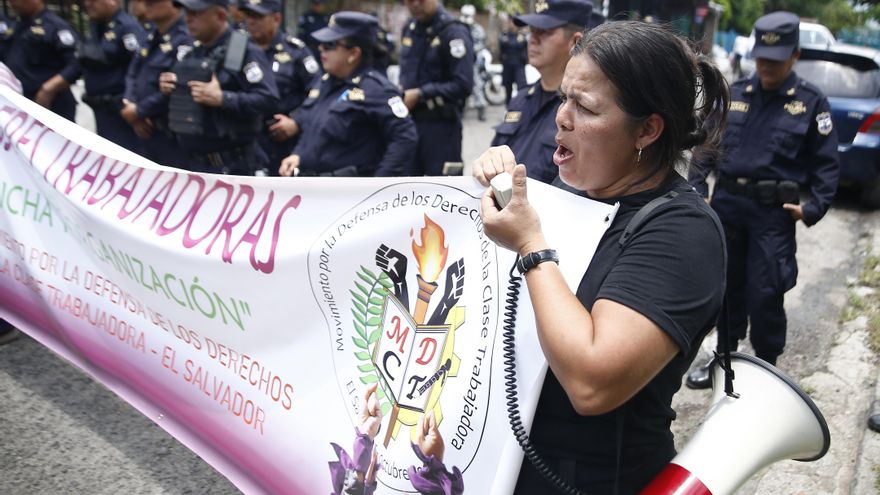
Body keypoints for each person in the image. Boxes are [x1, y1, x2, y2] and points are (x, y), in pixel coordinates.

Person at [473, 20, 729, 492]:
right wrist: (500, 191)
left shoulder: (682, 232)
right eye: (563, 98)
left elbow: (593, 382)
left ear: (647, 130)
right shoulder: (577, 195)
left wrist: (531, 245)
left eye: (585, 107)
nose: (562, 119)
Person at [686, 11, 839, 389]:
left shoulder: (809, 102)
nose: (767, 66)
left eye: (776, 59)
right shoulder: (736, 94)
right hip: (728, 207)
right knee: (725, 288)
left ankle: (768, 369)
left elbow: (827, 162)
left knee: (766, 292)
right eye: (762, 58)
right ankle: (723, 358)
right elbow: (706, 146)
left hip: (773, 213)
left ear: (795, 56)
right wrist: (698, 189)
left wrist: (814, 207)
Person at [277, 11, 417, 178]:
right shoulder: (325, 83)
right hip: (314, 188)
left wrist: (378, 185)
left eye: (330, 45)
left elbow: (405, 138)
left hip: (348, 194)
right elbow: (312, 129)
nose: (321, 48)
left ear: (353, 54)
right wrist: (298, 155)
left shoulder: (377, 90)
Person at [158, 0, 279, 175]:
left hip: (234, 167)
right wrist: (171, 87)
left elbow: (268, 99)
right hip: (194, 164)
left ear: (220, 16)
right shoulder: (193, 51)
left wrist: (223, 99)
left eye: (196, 13)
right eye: (188, 13)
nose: (188, 19)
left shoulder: (241, 50)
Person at [490, 0, 591, 185]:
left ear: (575, 42)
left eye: (544, 32)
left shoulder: (585, 112)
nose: (533, 39)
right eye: (532, 31)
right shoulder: (521, 99)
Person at [241, 0, 320, 174]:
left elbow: (318, 93)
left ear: (276, 19)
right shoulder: (236, 49)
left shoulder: (295, 51)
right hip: (244, 142)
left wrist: (296, 121)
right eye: (248, 16)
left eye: (258, 17)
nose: (251, 22)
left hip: (281, 140)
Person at [399, 0, 473, 176]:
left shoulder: (454, 32)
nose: (415, 4)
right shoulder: (410, 28)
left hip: (441, 128)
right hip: (409, 125)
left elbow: (463, 84)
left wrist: (421, 94)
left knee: (443, 194)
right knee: (405, 191)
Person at [121, 0, 192, 169]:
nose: (148, 4)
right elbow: (133, 72)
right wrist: (129, 104)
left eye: (154, 1)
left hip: (171, 134)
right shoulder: (153, 35)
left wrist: (139, 111)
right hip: (144, 129)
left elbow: (178, 86)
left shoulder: (185, 37)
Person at [80, 0, 146, 151]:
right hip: (102, 110)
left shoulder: (127, 27)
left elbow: (139, 68)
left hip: (121, 112)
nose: (88, 4)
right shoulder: (97, 26)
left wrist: (136, 108)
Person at [3, 0, 80, 121]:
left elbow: (76, 65)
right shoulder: (15, 26)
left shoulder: (55, 26)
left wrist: (48, 90)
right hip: (18, 106)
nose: (11, 3)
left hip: (51, 105)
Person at [459, 4, 486, 121]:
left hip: (473, 62)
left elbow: (482, 44)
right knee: (460, 85)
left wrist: (470, 49)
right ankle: (461, 110)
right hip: (460, 62)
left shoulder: (478, 30)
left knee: (477, 86)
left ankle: (481, 110)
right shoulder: (458, 28)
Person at [498, 15, 527, 106]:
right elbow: (501, 49)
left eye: (513, 22)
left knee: (521, 87)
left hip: (519, 65)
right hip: (507, 65)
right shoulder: (504, 35)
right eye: (509, 22)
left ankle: (521, 106)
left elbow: (525, 49)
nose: (511, 24)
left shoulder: (522, 36)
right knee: (508, 88)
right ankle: (508, 107)